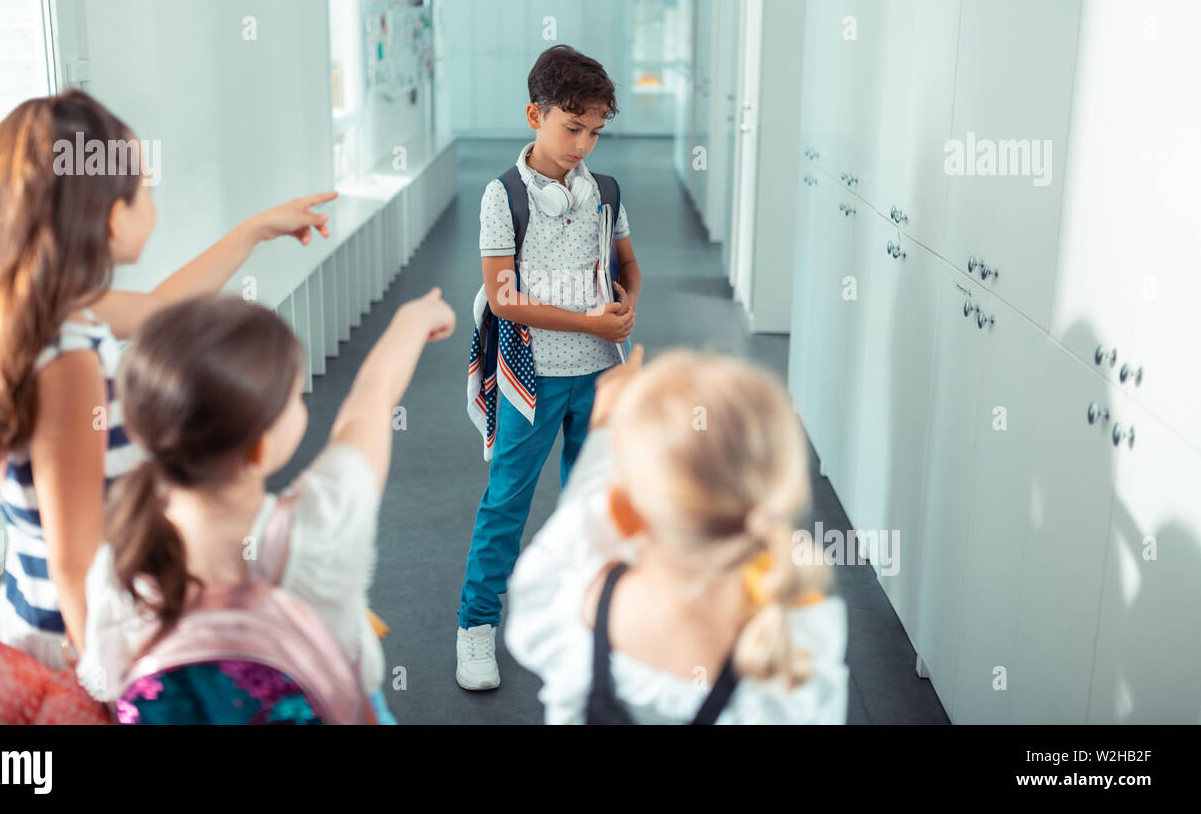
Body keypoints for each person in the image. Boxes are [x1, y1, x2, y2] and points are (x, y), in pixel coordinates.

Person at [0, 90, 338, 669]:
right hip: (69, 649)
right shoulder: (68, 361)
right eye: (145, 191)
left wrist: (255, 230)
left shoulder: (56, 312)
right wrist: (113, 694)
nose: (154, 207)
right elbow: (74, 561)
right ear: (112, 216)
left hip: (49, 621)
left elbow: (159, 306)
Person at [78, 288, 455, 723]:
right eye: (294, 397)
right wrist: (412, 321)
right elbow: (369, 404)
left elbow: (109, 690)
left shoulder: (120, 561)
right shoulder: (319, 532)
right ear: (259, 450)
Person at [504, 347, 850, 723]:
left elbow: (579, 522)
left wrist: (605, 429)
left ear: (624, 511)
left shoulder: (571, 606)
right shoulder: (796, 646)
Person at [456, 45, 642, 690]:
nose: (584, 144)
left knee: (594, 505)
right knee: (507, 503)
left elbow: (629, 265)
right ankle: (475, 626)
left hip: (598, 374)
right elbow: (505, 299)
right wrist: (593, 322)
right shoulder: (502, 197)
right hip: (531, 379)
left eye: (595, 131)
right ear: (535, 114)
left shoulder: (605, 192)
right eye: (572, 128)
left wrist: (625, 307)